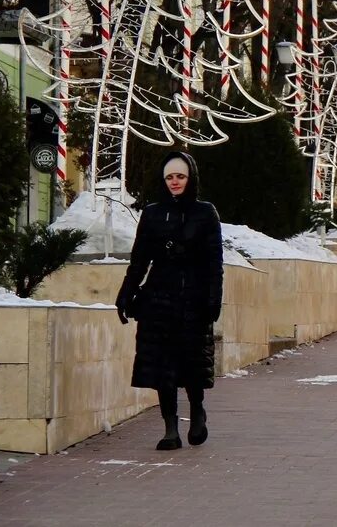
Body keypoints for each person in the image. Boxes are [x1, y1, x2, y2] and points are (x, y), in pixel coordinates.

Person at [116, 152, 223, 451]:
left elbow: (215, 262)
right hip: (159, 300)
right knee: (164, 367)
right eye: (170, 177)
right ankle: (170, 428)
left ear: (190, 178)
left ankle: (197, 412)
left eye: (180, 176)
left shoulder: (205, 213)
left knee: (192, 364)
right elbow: (139, 260)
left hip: (194, 300)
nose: (175, 182)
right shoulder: (152, 214)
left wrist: (214, 298)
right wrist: (126, 293)